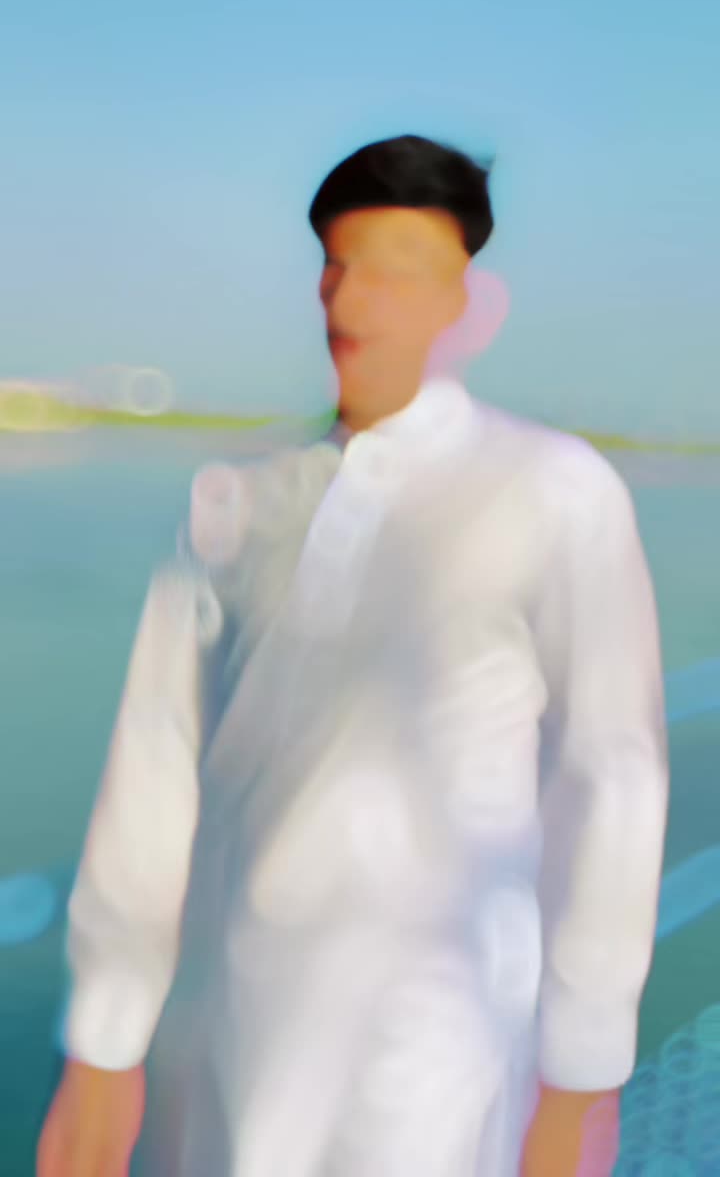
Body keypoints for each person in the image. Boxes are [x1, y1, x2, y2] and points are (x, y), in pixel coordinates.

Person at [37, 134, 669, 1177]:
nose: (359, 298)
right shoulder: (235, 497)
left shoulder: (555, 492)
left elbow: (609, 778)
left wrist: (582, 1074)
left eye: (401, 270)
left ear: (465, 300)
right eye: (342, 264)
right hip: (224, 1026)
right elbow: (155, 763)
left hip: (442, 1044)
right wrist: (104, 1041)